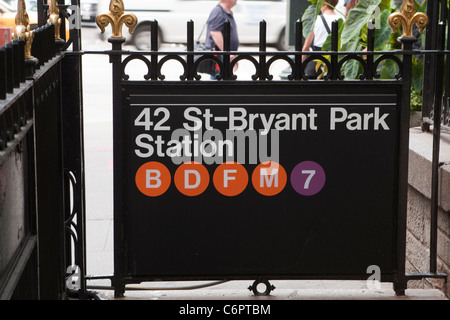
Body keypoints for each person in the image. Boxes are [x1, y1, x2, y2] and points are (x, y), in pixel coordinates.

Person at [302, 0, 339, 79]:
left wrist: (300, 68)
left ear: (324, 4)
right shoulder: (342, 19)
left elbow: (306, 47)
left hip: (316, 62)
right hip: (334, 61)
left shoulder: (316, 20)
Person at [205, 0, 239, 78]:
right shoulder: (218, 11)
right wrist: (227, 53)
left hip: (225, 54)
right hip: (220, 55)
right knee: (218, 81)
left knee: (225, 80)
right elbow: (215, 32)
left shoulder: (226, 11)